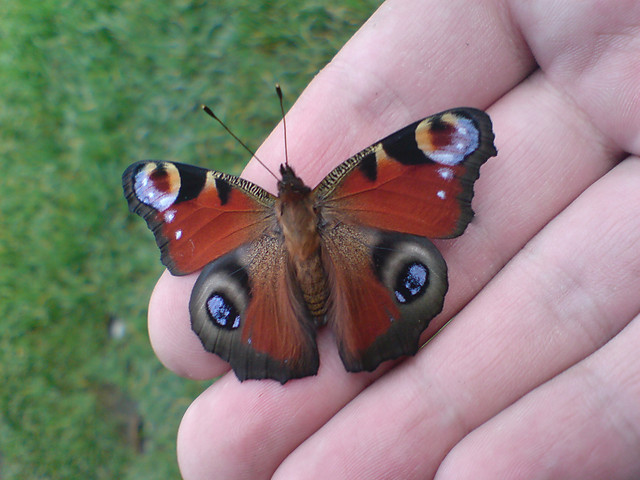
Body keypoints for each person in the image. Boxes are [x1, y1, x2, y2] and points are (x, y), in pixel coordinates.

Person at [146, 1, 640, 478]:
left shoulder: (232, 203)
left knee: (242, 292)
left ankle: (312, 335)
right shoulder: (352, 185)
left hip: (276, 270)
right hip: (358, 259)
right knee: (390, 266)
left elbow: (451, 138)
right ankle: (327, 333)